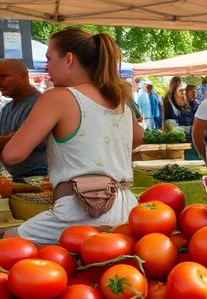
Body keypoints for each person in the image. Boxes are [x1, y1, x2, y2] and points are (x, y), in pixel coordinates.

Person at [2, 28, 142, 244]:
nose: (46, 66)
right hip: (126, 208)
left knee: (9, 243)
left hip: (81, 210)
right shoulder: (118, 99)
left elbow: (12, 155)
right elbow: (137, 137)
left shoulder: (58, 97)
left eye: (49, 58)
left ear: (68, 59)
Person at [0, 59, 47, 180]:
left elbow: (17, 140)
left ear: (23, 76)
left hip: (37, 176)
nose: (0, 82)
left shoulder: (39, 104)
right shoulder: (7, 108)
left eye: (3, 76)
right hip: (12, 178)